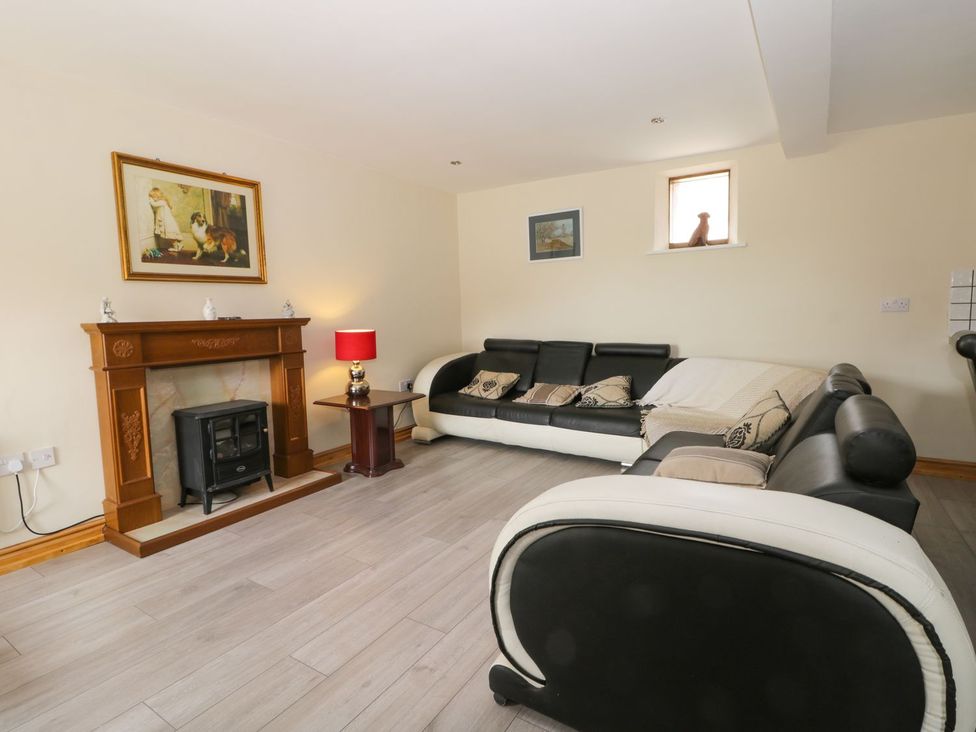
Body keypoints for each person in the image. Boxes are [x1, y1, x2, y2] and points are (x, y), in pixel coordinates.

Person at [148, 187, 184, 253]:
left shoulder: (162, 202)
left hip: (168, 222)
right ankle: (178, 245)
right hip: (168, 222)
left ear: (158, 196)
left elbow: (154, 204)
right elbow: (156, 209)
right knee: (171, 236)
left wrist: (150, 199)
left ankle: (177, 246)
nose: (153, 199)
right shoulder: (162, 203)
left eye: (154, 197)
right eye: (152, 197)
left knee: (171, 236)